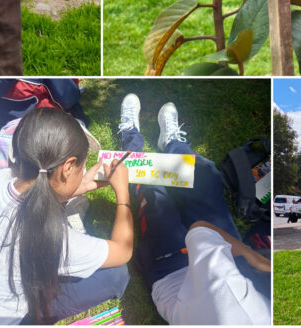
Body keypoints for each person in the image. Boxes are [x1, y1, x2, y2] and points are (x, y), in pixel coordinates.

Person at [0, 107, 132, 323]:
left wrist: (73, 188)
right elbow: (123, 251)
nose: (83, 172)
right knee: (117, 275)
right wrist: (123, 194)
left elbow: (39, 191)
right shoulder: (49, 235)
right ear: (67, 168)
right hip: (12, 320)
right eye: (82, 166)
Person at [116, 94, 270, 324]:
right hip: (232, 267)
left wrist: (252, 257)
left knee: (154, 194)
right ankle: (173, 144)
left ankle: (131, 140)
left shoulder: (235, 301)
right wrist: (257, 262)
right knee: (205, 177)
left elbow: (200, 230)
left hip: (174, 277)